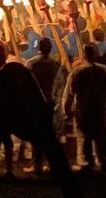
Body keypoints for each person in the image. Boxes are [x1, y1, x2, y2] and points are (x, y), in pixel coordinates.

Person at [62, 43, 106, 171]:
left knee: (84, 135)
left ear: (83, 56)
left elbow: (69, 92)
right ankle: (103, 161)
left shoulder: (78, 72)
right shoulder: (103, 70)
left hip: (83, 108)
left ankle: (86, 161)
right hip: (99, 108)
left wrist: (66, 109)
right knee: (100, 135)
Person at [25, 37, 61, 174]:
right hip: (49, 100)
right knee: (48, 133)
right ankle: (51, 163)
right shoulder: (55, 64)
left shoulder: (31, 64)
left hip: (36, 101)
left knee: (36, 134)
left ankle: (37, 165)